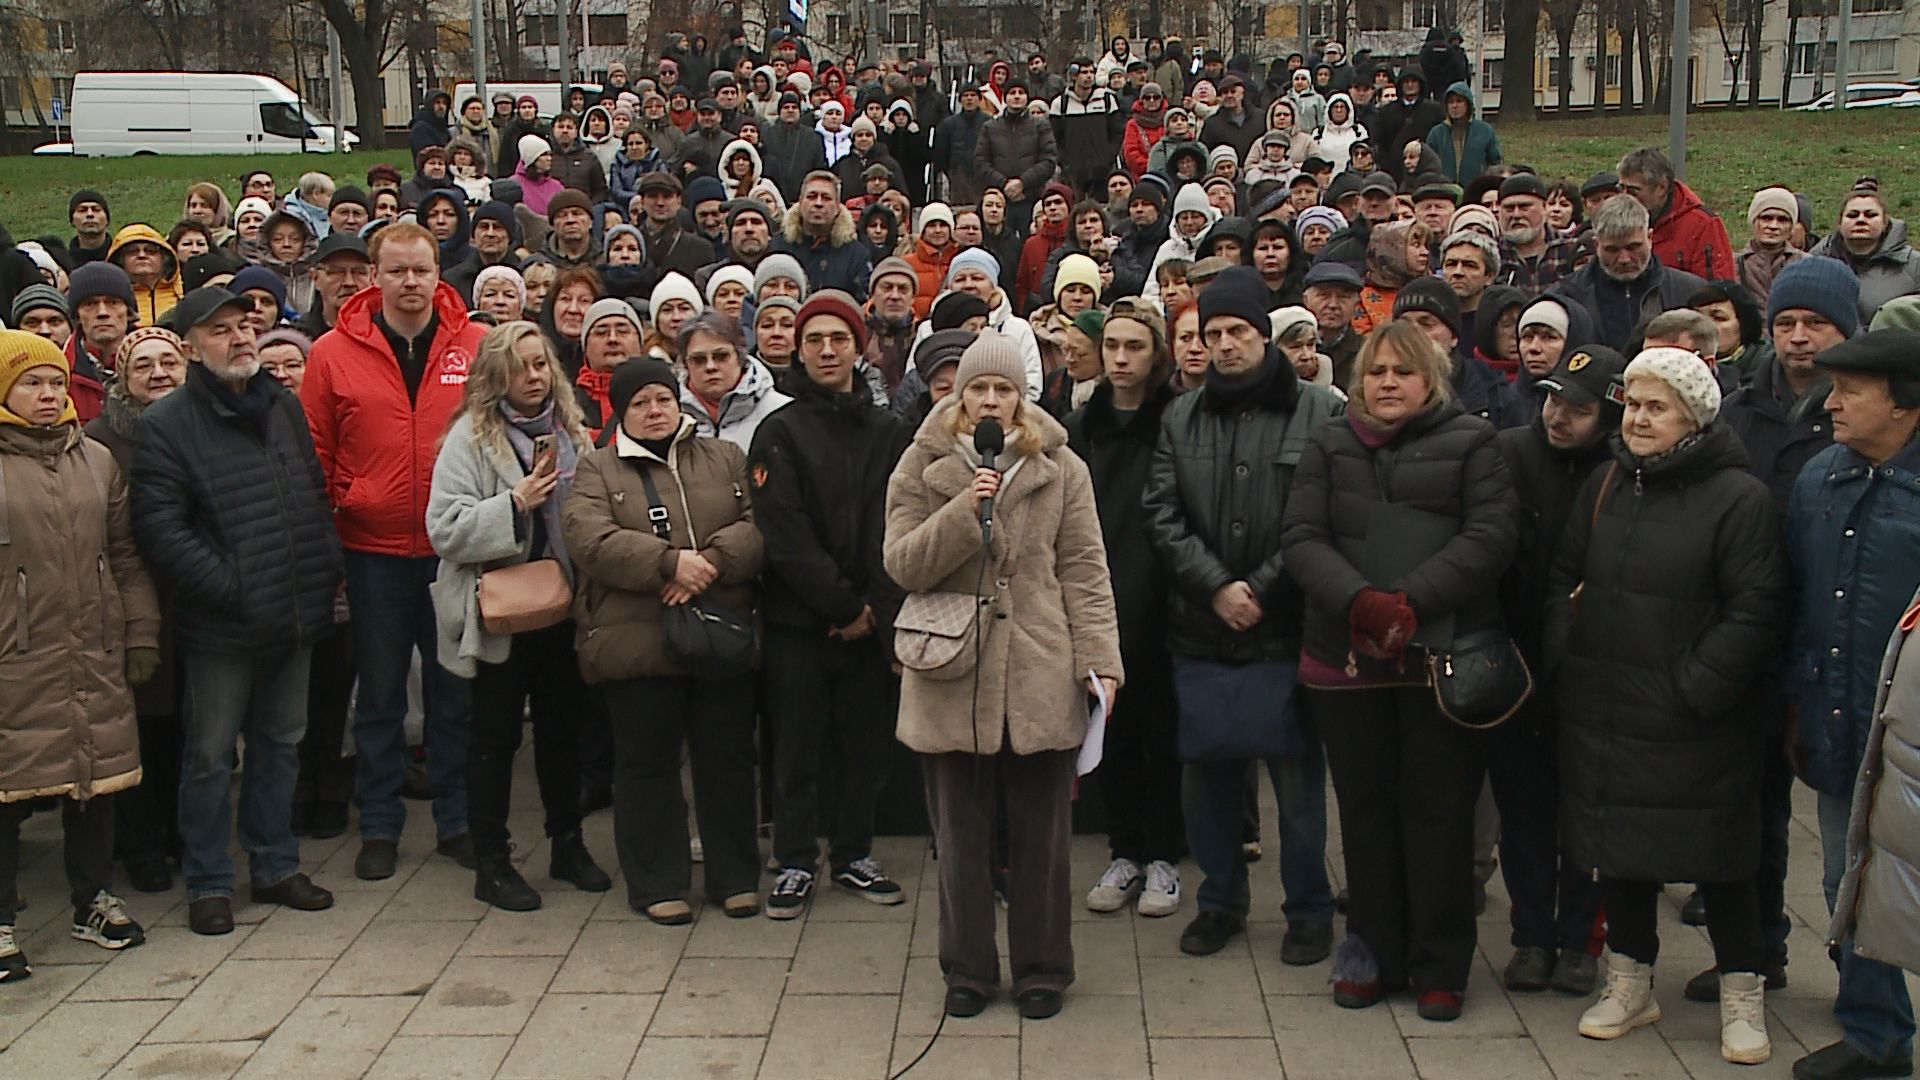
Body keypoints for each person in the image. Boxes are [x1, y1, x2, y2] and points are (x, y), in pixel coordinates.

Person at [1545, 347, 1787, 1065]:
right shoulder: (1607, 482)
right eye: (1635, 404)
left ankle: (1744, 992)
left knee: (1722, 857)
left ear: (1695, 416)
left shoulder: (1739, 499)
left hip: (1695, 717)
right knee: (1619, 855)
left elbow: (1757, 607)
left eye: (1658, 407)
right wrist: (1570, 653)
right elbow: (1563, 574)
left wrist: (1697, 686)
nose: (1640, 419)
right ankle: (1629, 982)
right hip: (1607, 704)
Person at [1281, 319, 1519, 1021]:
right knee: (1365, 810)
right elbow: (1301, 535)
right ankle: (1369, 950)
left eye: (1403, 371)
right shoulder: (1328, 442)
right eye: (1376, 371)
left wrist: (1412, 601)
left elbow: (1492, 534)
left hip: (1438, 658)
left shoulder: (1473, 441)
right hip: (1347, 655)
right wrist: (1361, 601)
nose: (1387, 382)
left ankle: (1440, 962)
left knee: (1438, 812)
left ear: (1431, 379)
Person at [884, 329, 1122, 1021]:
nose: (991, 401)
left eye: (1004, 390)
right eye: (978, 389)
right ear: (960, 397)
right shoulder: (919, 463)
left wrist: (1100, 660)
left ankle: (1043, 968)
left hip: (1040, 663)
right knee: (958, 833)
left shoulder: (1063, 467)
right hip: (952, 666)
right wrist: (964, 512)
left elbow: (1084, 567)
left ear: (1024, 397)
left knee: (1043, 835)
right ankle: (967, 968)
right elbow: (902, 564)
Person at [1139, 267, 1343, 958]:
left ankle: (1309, 910)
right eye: (1211, 334)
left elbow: (1319, 514)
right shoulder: (1180, 415)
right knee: (1208, 783)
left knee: (1298, 789)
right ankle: (1220, 902)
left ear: (1266, 336)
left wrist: (1259, 589)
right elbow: (1161, 514)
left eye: (1238, 332)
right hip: (1201, 628)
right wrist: (1218, 589)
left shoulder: (1321, 411)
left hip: (1286, 628)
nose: (1224, 345)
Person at [127, 286, 342, 936]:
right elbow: (161, 531)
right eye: (220, 330)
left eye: (244, 325)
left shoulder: (279, 404)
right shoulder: (166, 424)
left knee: (281, 745)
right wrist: (232, 587)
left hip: (296, 610)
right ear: (191, 348)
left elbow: (309, 490)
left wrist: (322, 564)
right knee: (211, 756)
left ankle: (275, 865)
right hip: (224, 624)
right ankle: (210, 881)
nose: (240, 337)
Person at [302, 223, 485, 882]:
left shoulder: (477, 344)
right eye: (397, 271)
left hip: (452, 551)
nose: (410, 283)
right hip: (370, 550)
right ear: (373, 277)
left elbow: (495, 440)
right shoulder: (331, 353)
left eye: (421, 270)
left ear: (440, 275)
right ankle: (378, 824)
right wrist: (330, 533)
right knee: (379, 697)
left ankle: (458, 821)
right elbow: (316, 451)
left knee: (452, 694)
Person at [423, 319, 611, 914]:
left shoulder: (571, 430)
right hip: (500, 611)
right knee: (495, 739)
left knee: (562, 734)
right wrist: (514, 503)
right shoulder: (470, 439)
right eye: (518, 367)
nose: (531, 377)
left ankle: (567, 844)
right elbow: (444, 529)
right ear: (493, 376)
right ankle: (493, 861)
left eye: (538, 364)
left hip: (561, 609)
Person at [1781, 329, 1920, 1080]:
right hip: (1843, 720)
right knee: (1848, 881)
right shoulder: (1820, 478)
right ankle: (1877, 1032)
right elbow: (1804, 600)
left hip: (1916, 728)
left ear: (1905, 404)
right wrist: (1799, 702)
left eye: (1850, 391)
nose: (1830, 403)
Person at [0, 330, 160, 981]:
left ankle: (91, 898)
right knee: (6, 789)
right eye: (31, 383)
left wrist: (142, 631)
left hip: (92, 646)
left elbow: (123, 554)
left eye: (56, 384)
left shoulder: (95, 459)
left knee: (94, 778)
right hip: (16, 654)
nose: (47, 395)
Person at [748, 290, 908, 919]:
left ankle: (853, 853)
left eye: (837, 339)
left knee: (863, 745)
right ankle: (793, 858)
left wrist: (872, 608)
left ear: (858, 346)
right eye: (813, 339)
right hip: (800, 621)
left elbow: (894, 524)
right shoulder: (779, 429)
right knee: (795, 743)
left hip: (870, 622)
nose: (825, 350)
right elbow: (782, 532)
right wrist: (839, 607)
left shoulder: (888, 430)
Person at [1489, 343, 1625, 995]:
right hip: (1516, 669)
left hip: (1592, 674)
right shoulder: (1510, 454)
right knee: (1524, 816)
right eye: (1550, 398)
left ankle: (1581, 939)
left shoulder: (1622, 472)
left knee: (1587, 819)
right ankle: (1531, 935)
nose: (1557, 415)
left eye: (1577, 406)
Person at [86, 327, 187, 893]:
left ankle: (181, 833)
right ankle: (141, 843)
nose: (158, 373)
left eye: (168, 361)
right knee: (140, 725)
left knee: (186, 727)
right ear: (122, 378)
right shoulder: (99, 441)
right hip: (132, 601)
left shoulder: (204, 426)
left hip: (196, 599)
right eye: (142, 364)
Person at [1556, 195, 1709, 352]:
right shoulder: (1567, 295)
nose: (1624, 259)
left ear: (1650, 238)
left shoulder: (1690, 292)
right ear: (1596, 245)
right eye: (1612, 250)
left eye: (1633, 247)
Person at [1809, 182, 1920, 327]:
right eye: (1852, 215)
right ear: (1840, 223)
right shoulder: (1814, 262)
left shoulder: (1914, 264)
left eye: (1870, 215)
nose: (1861, 220)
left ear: (1885, 223)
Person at [1617, 147, 1735, 282]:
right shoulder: (1614, 217)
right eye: (1621, 188)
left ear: (1661, 188)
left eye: (1633, 191)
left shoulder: (1702, 225)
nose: (1624, 197)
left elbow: (1718, 289)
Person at [678, 311, 792, 449]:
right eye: (698, 359)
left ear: (740, 357)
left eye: (721, 356)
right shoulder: (670, 415)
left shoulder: (784, 411)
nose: (710, 367)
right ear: (685, 364)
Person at [974, 81, 1059, 228]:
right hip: (999, 200)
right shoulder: (990, 127)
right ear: (1005, 98)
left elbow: (1049, 160)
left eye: (1021, 93)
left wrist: (1023, 183)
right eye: (1012, 93)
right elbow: (980, 162)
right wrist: (1004, 184)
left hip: (1032, 197)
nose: (1017, 97)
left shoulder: (1040, 126)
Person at [776, 172, 871, 300]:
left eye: (826, 198)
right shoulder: (778, 246)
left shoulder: (857, 255)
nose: (818, 203)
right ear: (800, 202)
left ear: (838, 206)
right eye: (812, 197)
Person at [1736, 187, 1805, 307]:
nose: (1773, 226)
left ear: (1791, 226)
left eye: (1782, 220)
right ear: (1753, 221)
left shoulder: (1806, 264)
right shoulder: (1733, 264)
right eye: (1766, 218)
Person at [1424, 82, 1499, 184]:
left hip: (1475, 190)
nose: (1454, 106)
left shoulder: (1484, 131)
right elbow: (1427, 165)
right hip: (1445, 191)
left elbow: (1495, 162)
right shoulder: (1436, 134)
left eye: (1459, 101)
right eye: (1451, 102)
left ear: (1468, 104)